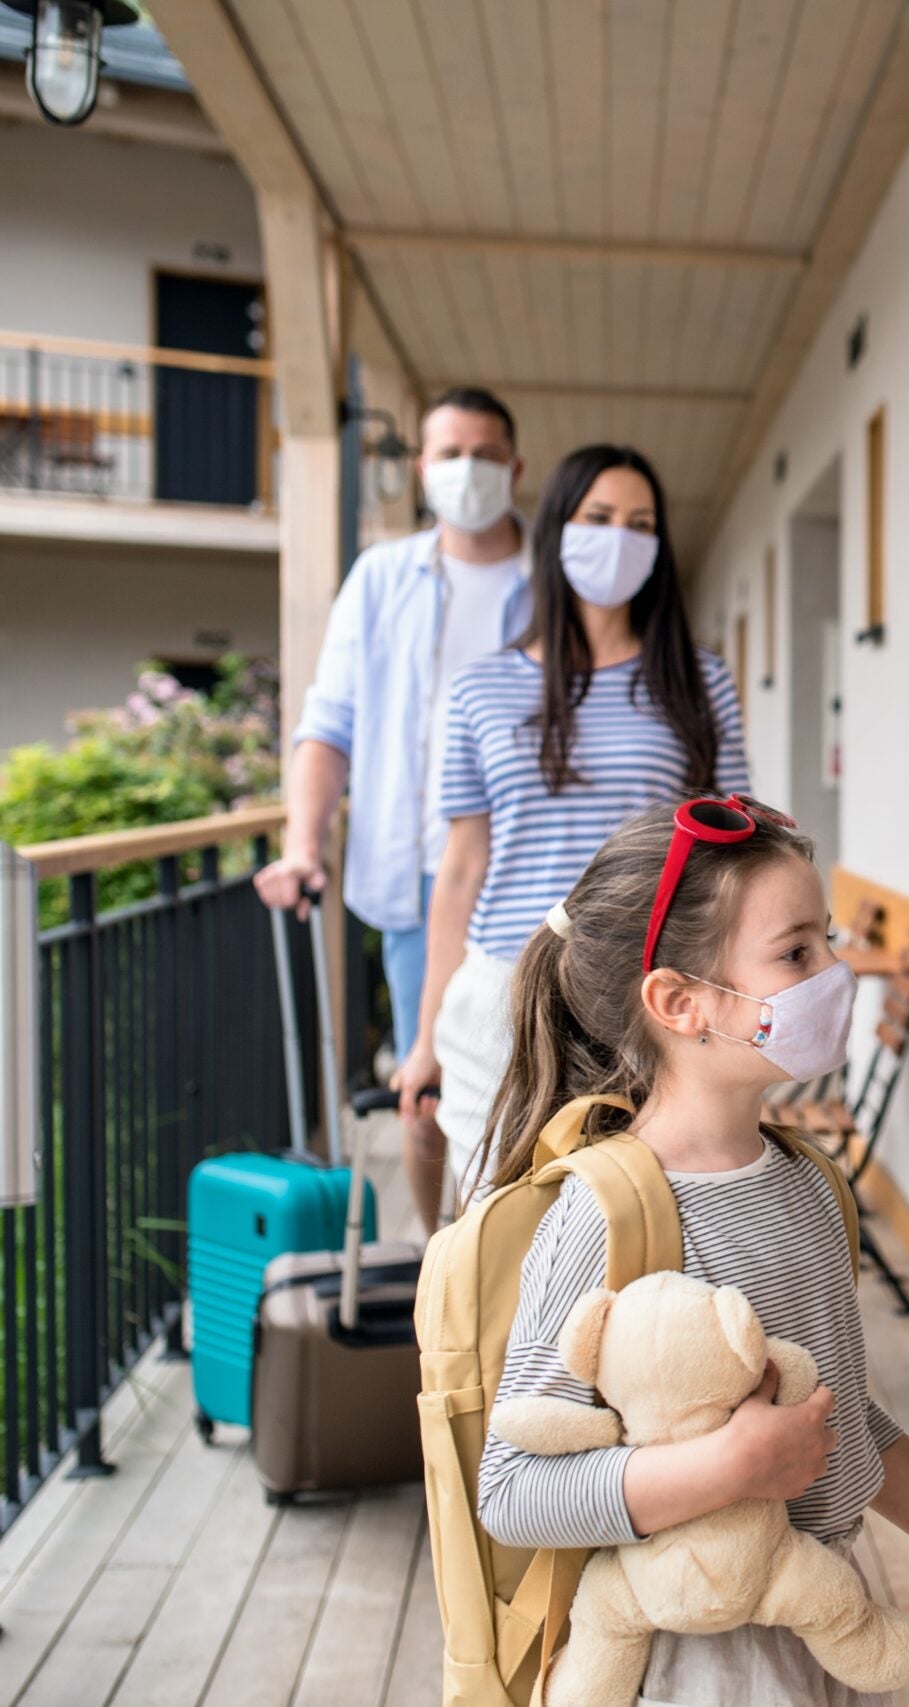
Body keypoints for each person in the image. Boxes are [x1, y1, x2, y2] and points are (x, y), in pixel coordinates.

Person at [472, 796, 909, 1702]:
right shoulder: (608, 1212)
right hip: (675, 1663)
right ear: (679, 1001)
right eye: (796, 952)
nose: (837, 970)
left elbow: (838, 1421)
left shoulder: (808, 1184)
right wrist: (731, 1468)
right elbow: (511, 1491)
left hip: (807, 1627)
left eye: (826, 939)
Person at [397, 444, 750, 1210]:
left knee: (636, 1229)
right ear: (558, 529)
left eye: (640, 522)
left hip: (642, 997)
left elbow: (730, 864)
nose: (618, 536)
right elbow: (460, 869)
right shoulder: (481, 687)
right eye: (598, 517)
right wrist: (423, 1039)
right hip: (501, 998)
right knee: (497, 1229)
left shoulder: (700, 680)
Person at [261, 386, 530, 1236]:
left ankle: (526, 1268)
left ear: (516, 468)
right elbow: (328, 723)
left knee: (534, 1089)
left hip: (531, 871)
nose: (467, 471)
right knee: (429, 1094)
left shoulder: (552, 580)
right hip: (419, 878)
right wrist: (304, 841)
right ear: (421, 468)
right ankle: (440, 1258)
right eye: (449, 454)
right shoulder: (381, 578)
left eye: (485, 454)